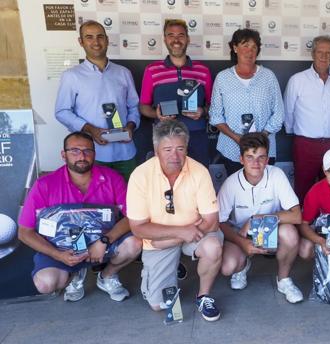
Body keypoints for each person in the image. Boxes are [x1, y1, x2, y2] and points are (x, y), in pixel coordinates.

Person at [17, 132, 142, 302]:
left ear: (94, 154)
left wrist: (104, 241)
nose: (82, 156)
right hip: (62, 249)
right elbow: (25, 231)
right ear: (64, 155)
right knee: (46, 284)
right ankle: (74, 275)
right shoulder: (45, 185)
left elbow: (132, 217)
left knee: (134, 243)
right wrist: (57, 255)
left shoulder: (113, 179)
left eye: (87, 151)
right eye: (74, 151)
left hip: (102, 245)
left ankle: (107, 276)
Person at [127, 120, 223, 321]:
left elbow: (212, 221)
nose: (175, 156)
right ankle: (170, 265)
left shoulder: (199, 171)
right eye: (168, 149)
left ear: (187, 148)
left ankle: (203, 296)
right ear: (156, 150)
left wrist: (175, 237)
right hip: (170, 238)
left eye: (180, 148)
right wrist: (181, 233)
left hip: (191, 234)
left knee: (213, 246)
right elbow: (138, 228)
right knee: (158, 305)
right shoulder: (140, 175)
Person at [218, 133, 304, 303]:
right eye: (250, 157)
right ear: (241, 159)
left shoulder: (277, 174)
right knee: (228, 268)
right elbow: (219, 223)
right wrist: (242, 243)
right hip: (241, 233)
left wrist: (257, 218)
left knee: (291, 234)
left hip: (270, 229)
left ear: (267, 159)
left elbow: (296, 216)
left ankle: (284, 279)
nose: (256, 163)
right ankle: (243, 266)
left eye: (261, 157)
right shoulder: (231, 183)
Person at [55, 20, 140, 181]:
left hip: (125, 152)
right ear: (81, 42)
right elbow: (62, 112)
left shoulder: (123, 73)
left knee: (129, 200)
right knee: (98, 201)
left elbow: (134, 107)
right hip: (92, 154)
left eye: (100, 36)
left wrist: (130, 126)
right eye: (89, 37)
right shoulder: (71, 76)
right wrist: (91, 130)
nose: (96, 42)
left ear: (107, 40)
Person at [209, 28, 284, 175]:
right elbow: (215, 115)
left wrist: (262, 136)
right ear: (235, 48)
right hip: (232, 148)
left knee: (263, 193)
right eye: (245, 45)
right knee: (237, 192)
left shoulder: (268, 77)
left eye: (254, 47)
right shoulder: (223, 78)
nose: (250, 51)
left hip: (264, 150)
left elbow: (279, 113)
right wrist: (237, 138)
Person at [139, 19, 213, 168]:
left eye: (181, 35)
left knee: (197, 180)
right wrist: (157, 115)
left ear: (188, 39)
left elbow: (213, 105)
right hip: (165, 138)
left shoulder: (203, 70)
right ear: (165, 39)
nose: (176, 40)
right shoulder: (152, 70)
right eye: (171, 35)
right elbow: (143, 107)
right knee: (167, 181)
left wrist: (203, 111)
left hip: (196, 136)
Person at [283, 35, 330, 202]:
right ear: (313, 54)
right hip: (305, 144)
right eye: (320, 52)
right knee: (303, 189)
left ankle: (326, 226)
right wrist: (294, 132)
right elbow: (288, 111)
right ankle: (301, 226)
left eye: (328, 53)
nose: (324, 57)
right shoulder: (297, 80)